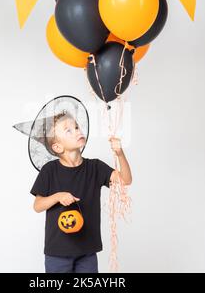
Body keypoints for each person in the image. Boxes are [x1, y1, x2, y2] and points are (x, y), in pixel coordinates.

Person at [30, 111, 132, 273]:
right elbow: (38, 205)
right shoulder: (50, 170)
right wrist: (58, 196)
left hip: (87, 251)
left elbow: (125, 180)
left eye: (76, 127)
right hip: (57, 252)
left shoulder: (95, 168)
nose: (77, 131)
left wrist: (120, 154)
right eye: (68, 130)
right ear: (57, 146)